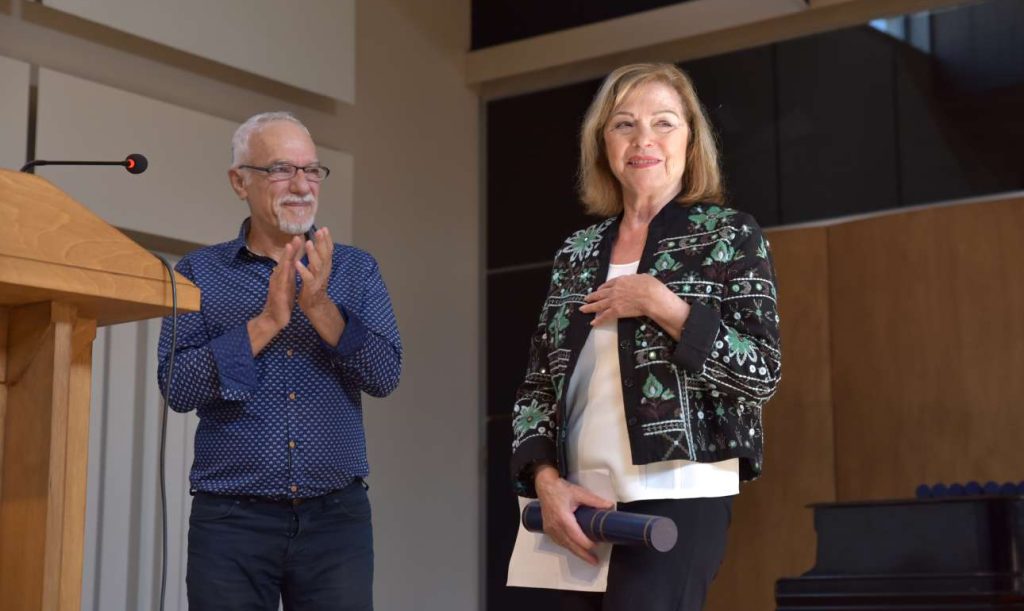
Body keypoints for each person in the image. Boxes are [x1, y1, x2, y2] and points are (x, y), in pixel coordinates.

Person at [508, 63, 782, 610]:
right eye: (624, 125)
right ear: (603, 143)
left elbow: (761, 372)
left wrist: (664, 305)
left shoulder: (730, 235)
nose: (643, 140)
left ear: (691, 140)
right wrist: (544, 479)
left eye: (663, 123)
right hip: (576, 499)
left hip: (677, 494)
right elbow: (537, 386)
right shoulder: (577, 252)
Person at [157, 111, 402, 611]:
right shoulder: (199, 272)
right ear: (239, 181)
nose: (301, 185)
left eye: (311, 170)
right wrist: (267, 321)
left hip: (337, 521)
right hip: (231, 523)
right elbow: (177, 386)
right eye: (281, 170)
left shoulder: (356, 269)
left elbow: (385, 374)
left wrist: (321, 309)